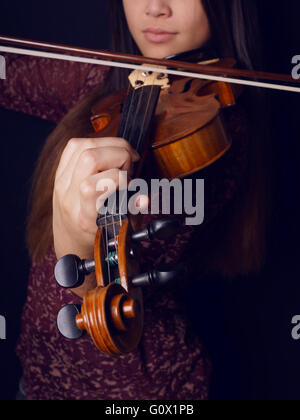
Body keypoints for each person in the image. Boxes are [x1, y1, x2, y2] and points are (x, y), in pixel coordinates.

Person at [16, 0, 271, 400]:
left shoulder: (221, 128)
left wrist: (75, 238)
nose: (155, 7)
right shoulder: (109, 85)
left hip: (147, 393)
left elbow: (120, 266)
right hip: (36, 382)